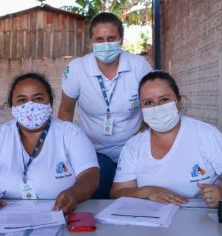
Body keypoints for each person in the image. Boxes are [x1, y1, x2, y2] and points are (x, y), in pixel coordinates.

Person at [0, 72, 99, 214]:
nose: (30, 106)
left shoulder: (71, 134)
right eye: (22, 100)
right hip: (0, 220)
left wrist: (74, 193)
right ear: (12, 106)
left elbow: (90, 175)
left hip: (59, 216)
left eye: (37, 98)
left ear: (50, 102)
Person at [110, 71, 222, 207]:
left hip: (201, 222)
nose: (157, 108)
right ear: (141, 108)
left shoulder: (205, 134)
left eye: (164, 100)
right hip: (152, 224)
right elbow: (118, 192)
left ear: (179, 102)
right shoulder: (133, 146)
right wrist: (147, 192)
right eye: (148, 103)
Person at [58, 12, 152, 198]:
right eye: (99, 39)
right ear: (91, 41)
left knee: (136, 202)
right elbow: (66, 110)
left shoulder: (139, 66)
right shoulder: (77, 69)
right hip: (93, 151)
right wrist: (64, 151)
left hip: (132, 149)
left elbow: (152, 105)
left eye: (111, 38)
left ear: (121, 39)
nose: (106, 44)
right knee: (97, 197)